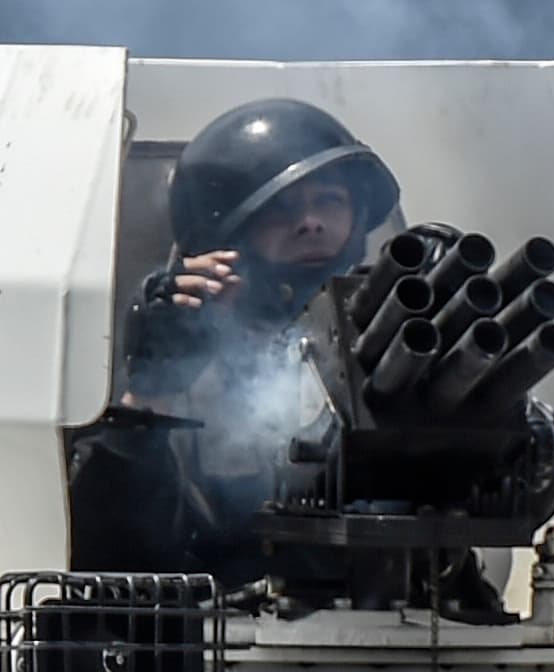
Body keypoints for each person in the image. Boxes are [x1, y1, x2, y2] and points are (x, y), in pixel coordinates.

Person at [68, 97, 401, 588]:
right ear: (227, 236)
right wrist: (151, 394)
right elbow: (111, 553)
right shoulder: (188, 341)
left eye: (329, 200)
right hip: (224, 641)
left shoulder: (401, 341)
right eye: (281, 209)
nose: (310, 222)